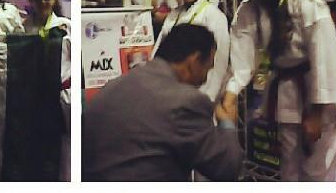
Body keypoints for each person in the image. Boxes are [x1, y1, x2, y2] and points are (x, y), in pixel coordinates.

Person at [221, 0, 336, 181]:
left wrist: (317, 113)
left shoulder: (306, 2)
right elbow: (242, 61)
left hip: (318, 96)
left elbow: (325, 59)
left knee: (318, 175)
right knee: (290, 173)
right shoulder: (249, 10)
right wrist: (230, 94)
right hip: (286, 98)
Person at [82, 24, 243, 181]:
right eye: (207, 68)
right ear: (194, 61)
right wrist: (228, 123)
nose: (205, 79)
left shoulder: (111, 88)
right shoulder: (186, 102)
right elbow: (226, 169)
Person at [151, 0, 229, 103]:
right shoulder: (173, 15)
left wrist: (208, 98)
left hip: (199, 94)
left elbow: (219, 63)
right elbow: (158, 52)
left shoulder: (214, 16)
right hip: (169, 92)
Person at [24, 0, 71, 180]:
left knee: (64, 149)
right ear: (31, 1)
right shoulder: (23, 28)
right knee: (37, 148)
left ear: (54, 0)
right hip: (34, 99)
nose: (43, 2)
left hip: (60, 98)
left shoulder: (65, 26)